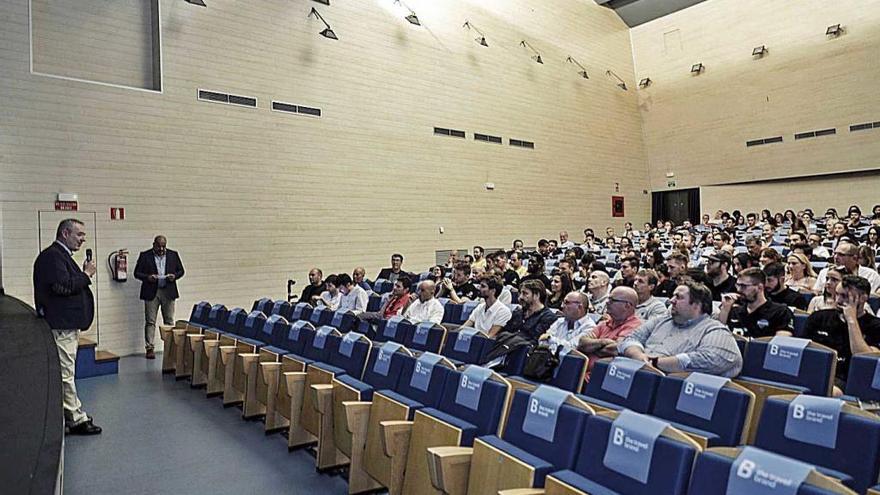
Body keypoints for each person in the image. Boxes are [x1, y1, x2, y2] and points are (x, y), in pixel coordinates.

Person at [33, 218, 101, 435]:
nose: (83, 239)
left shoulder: (59, 257)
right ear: (65, 233)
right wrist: (86, 275)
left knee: (64, 372)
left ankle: (67, 414)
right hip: (61, 326)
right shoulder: (52, 257)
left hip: (65, 325)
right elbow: (62, 287)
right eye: (79, 234)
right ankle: (75, 418)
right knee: (65, 374)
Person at [619, 280, 743, 377]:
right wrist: (639, 356)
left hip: (671, 386)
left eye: (678, 297)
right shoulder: (661, 320)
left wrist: (656, 362)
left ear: (697, 304)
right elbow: (631, 339)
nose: (671, 301)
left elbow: (715, 359)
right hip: (637, 373)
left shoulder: (714, 330)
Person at [804, 275, 880, 395]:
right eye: (837, 294)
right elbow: (803, 351)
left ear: (863, 298)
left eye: (845, 296)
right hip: (815, 371)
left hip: (847, 378)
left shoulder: (875, 326)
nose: (838, 301)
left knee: (830, 391)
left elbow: (866, 360)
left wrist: (851, 320)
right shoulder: (818, 317)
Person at [134, 235, 185, 359]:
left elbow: (181, 271)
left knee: (169, 320)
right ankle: (150, 347)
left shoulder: (173, 255)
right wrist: (147, 277)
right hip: (152, 291)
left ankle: (169, 347)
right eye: (159, 246)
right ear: (154, 245)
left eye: (164, 246)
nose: (161, 249)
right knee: (150, 321)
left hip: (168, 291)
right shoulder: (145, 256)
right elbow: (136, 273)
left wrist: (174, 276)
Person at [578, 287, 642, 379]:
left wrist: (592, 347)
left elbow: (615, 349)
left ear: (627, 305)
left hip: (604, 377)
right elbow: (582, 343)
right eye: (608, 299)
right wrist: (604, 342)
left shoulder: (635, 327)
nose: (607, 302)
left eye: (612, 300)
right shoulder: (605, 323)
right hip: (583, 373)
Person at [717, 267, 794, 338]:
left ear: (760, 287)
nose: (739, 290)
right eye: (738, 285)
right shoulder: (735, 311)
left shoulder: (781, 312)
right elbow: (718, 336)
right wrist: (725, 308)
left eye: (744, 286)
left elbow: (780, 343)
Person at [813, 242, 880, 294]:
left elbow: (871, 298)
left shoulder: (871, 275)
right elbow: (817, 291)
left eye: (841, 255)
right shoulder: (824, 272)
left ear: (854, 258)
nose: (836, 257)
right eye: (835, 254)